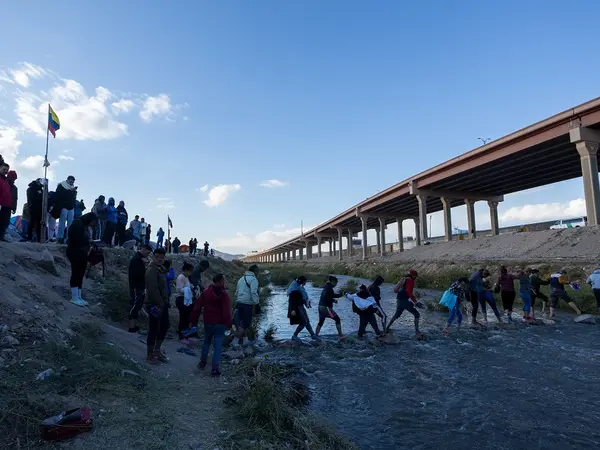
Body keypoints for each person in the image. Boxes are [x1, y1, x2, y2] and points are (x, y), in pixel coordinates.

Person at [192, 273, 232, 377]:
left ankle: (202, 363)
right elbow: (227, 312)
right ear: (220, 281)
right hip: (220, 324)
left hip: (208, 322)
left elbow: (197, 307)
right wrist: (228, 324)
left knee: (206, 343)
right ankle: (214, 369)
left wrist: (193, 321)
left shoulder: (206, 292)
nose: (225, 282)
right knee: (218, 346)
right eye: (223, 280)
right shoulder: (224, 295)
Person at [66, 212, 97, 307]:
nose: (93, 224)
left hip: (82, 253)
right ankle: (74, 297)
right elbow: (75, 239)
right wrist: (87, 241)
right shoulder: (77, 224)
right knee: (76, 273)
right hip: (75, 252)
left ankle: (79, 296)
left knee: (81, 274)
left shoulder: (83, 226)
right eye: (93, 222)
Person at [145, 247, 170, 363]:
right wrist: (160, 303)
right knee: (154, 329)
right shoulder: (152, 270)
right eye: (157, 257)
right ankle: (150, 355)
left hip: (163, 303)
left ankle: (157, 350)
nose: (160, 259)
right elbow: (152, 289)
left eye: (162, 257)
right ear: (153, 257)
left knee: (164, 326)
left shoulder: (161, 269)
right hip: (155, 304)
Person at [386, 270, 423, 338]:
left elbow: (395, 290)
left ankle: (387, 328)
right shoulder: (410, 280)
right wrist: (416, 302)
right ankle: (417, 332)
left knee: (397, 315)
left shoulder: (403, 279)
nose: (415, 277)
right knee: (417, 314)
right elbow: (409, 292)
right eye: (415, 276)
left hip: (399, 299)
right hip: (404, 300)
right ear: (412, 275)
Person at [128, 244, 152, 332]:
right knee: (135, 305)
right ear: (144, 249)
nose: (147, 255)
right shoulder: (136, 259)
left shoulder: (138, 259)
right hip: (136, 286)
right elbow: (137, 274)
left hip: (138, 286)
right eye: (147, 253)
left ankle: (134, 325)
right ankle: (131, 326)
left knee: (137, 305)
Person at [288, 276, 319, 342]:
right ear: (301, 281)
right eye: (304, 281)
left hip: (301, 306)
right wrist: (292, 309)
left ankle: (313, 335)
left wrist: (306, 303)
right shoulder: (294, 288)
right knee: (304, 322)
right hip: (297, 307)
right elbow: (291, 300)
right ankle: (294, 336)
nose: (305, 283)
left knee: (307, 321)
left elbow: (301, 298)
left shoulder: (298, 287)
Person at [234, 264, 260, 346]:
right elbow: (253, 292)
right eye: (258, 271)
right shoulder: (253, 279)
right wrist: (257, 304)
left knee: (241, 323)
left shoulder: (241, 279)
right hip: (247, 304)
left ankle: (245, 341)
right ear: (255, 271)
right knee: (246, 323)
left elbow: (236, 292)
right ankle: (234, 340)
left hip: (239, 303)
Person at [53, 176, 77, 244]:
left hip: (71, 207)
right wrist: (69, 191)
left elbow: (73, 198)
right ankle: (60, 238)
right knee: (62, 223)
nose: (72, 182)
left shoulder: (73, 188)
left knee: (70, 224)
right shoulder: (61, 185)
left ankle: (68, 238)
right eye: (71, 180)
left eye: (73, 181)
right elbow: (59, 195)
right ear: (68, 180)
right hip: (63, 206)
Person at [175, 262, 195, 344]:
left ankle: (186, 335)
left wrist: (191, 287)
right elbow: (179, 289)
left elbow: (188, 286)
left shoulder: (186, 277)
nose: (190, 273)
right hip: (181, 299)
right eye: (190, 271)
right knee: (183, 318)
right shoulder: (181, 277)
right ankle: (181, 335)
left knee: (187, 317)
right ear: (186, 270)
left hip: (187, 299)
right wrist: (188, 289)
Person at [0, 162, 12, 240]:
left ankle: (1, 236)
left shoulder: (6, 180)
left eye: (7, 170)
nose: (5, 171)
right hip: (1, 203)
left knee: (4, 222)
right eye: (4, 169)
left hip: (7, 204)